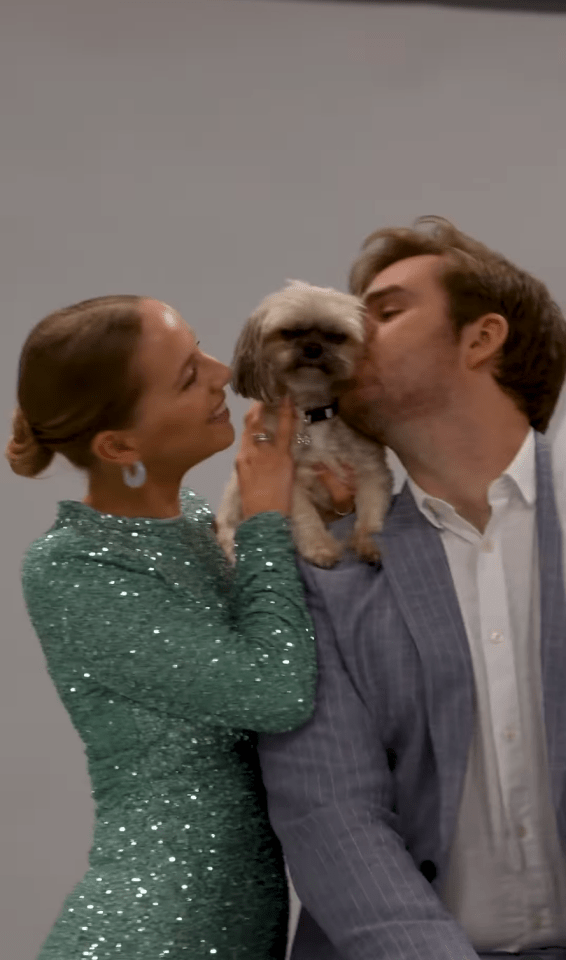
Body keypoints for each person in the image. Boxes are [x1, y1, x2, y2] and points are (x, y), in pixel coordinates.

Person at [258, 217, 566, 960]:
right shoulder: (321, 572)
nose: (347, 334)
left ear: (481, 338)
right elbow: (332, 819)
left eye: (385, 313)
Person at [5, 293, 344, 960]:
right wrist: (267, 520)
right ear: (118, 445)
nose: (222, 372)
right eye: (189, 374)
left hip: (233, 924)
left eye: (201, 351)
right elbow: (276, 691)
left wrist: (318, 517)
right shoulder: (71, 570)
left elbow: (280, 631)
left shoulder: (192, 522)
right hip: (152, 931)